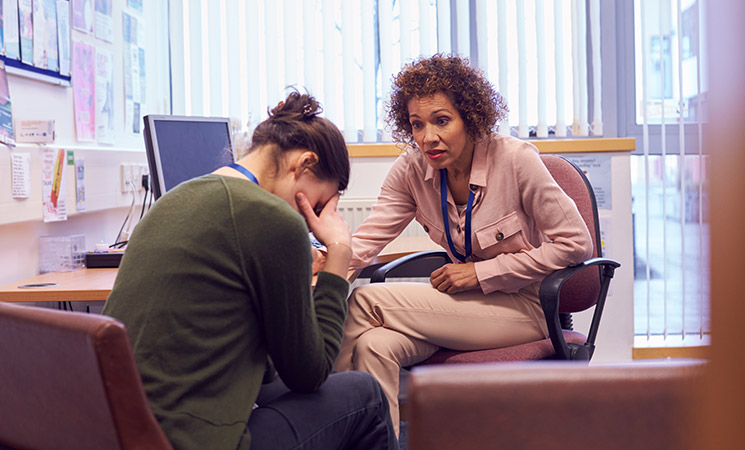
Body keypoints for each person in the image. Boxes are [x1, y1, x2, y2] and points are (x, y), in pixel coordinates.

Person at [102, 91, 399, 450]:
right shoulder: (272, 220)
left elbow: (267, 366)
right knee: (364, 393)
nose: (311, 224)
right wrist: (338, 251)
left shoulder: (174, 200)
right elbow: (311, 373)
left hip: (121, 433)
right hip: (192, 441)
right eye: (317, 206)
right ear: (304, 164)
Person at [332, 54, 594, 435]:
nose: (428, 137)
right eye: (416, 125)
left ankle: (326, 422)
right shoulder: (411, 171)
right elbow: (368, 239)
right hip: (465, 309)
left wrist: (481, 272)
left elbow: (576, 244)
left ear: (471, 118)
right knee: (374, 346)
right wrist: (323, 261)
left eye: (441, 121)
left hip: (525, 306)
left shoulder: (516, 160)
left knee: (364, 300)